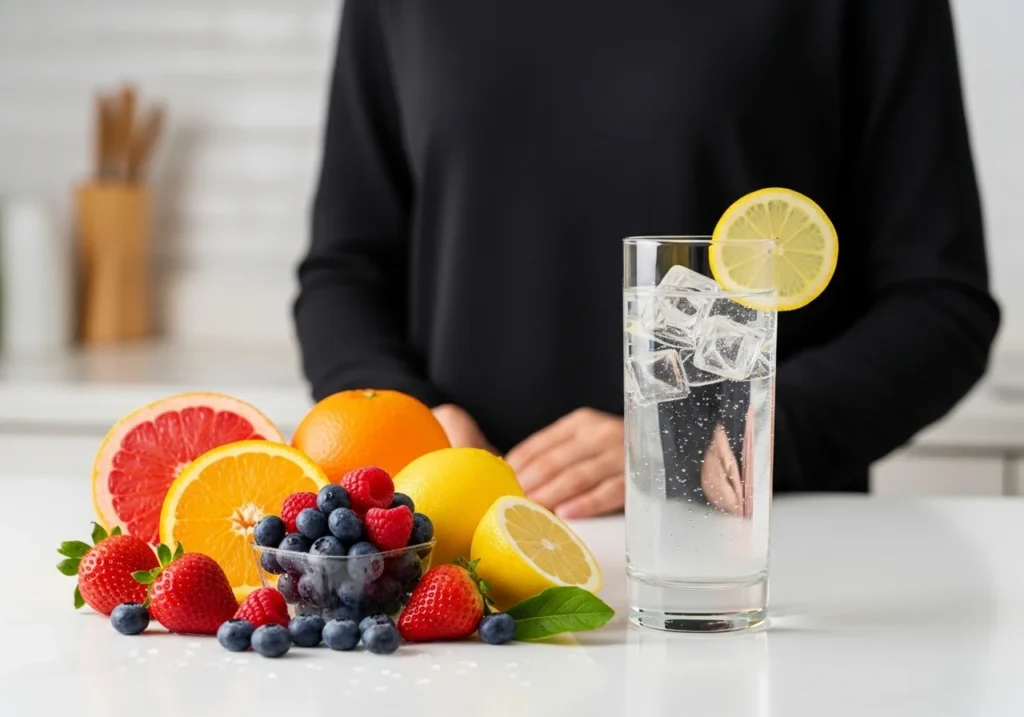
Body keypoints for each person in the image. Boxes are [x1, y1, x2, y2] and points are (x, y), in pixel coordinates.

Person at [294, 0, 1000, 519]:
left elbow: (941, 306)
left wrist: (715, 435)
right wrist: (417, 424)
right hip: (466, 558)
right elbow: (345, 272)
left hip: (756, 560)